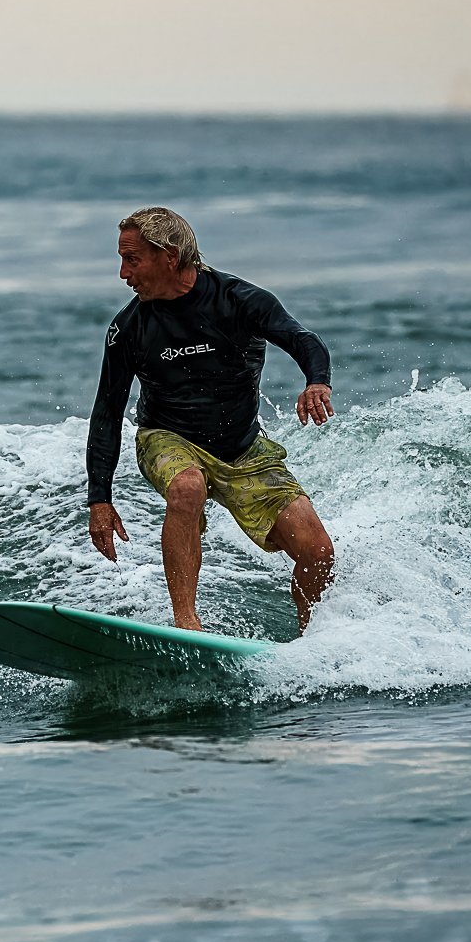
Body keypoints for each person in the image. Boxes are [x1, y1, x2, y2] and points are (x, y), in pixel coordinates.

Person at [85, 207, 337, 632]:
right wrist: (99, 499)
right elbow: (107, 413)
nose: (124, 274)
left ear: (169, 256)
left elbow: (302, 339)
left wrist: (317, 382)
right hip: (166, 438)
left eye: (132, 259)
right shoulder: (128, 328)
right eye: (122, 259)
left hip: (242, 449)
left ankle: (308, 638)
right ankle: (187, 622)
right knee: (187, 485)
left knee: (318, 553)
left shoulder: (239, 301)